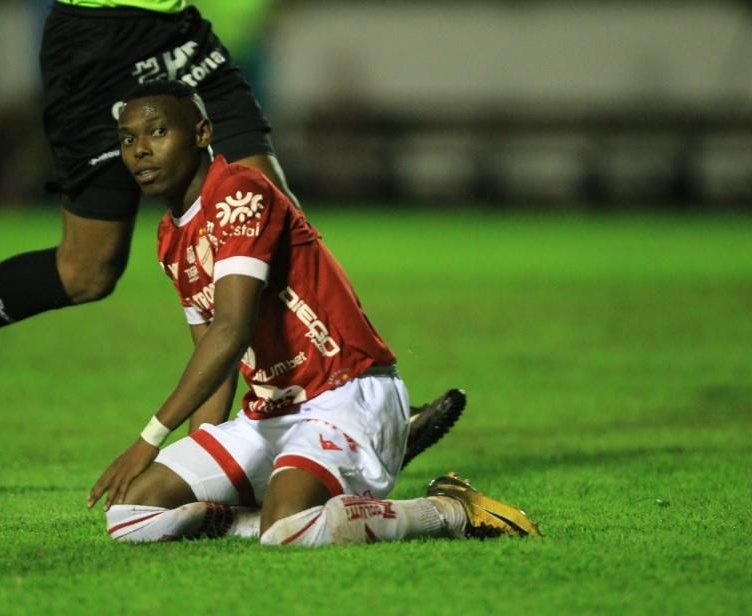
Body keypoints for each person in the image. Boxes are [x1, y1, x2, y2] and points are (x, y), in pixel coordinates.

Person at [0, 0, 461, 461]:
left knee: (271, 213)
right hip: (98, 38)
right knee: (85, 271)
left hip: (176, 30)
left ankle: (351, 415)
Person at [87, 81, 540, 546]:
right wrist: (199, 452)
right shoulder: (170, 238)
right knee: (131, 517)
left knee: (286, 531)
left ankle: (448, 510)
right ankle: (283, 514)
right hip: (270, 416)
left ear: (202, 133)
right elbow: (214, 358)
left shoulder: (241, 193)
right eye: (128, 140)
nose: (141, 150)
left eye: (157, 132)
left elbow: (231, 330)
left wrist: (150, 439)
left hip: (345, 394)